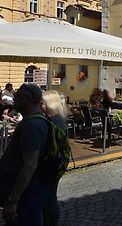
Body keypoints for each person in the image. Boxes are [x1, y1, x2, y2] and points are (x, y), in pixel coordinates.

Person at [0, 83, 51, 225]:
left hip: (26, 195)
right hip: (29, 192)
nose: (14, 99)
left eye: (18, 96)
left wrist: (13, 200)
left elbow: (30, 164)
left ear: (27, 98)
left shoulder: (32, 125)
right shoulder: (36, 121)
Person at [41, 90, 66, 226]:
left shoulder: (55, 120)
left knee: (49, 197)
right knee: (49, 196)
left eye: (42, 103)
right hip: (54, 163)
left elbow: (53, 145)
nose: (40, 105)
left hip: (53, 164)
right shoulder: (53, 118)